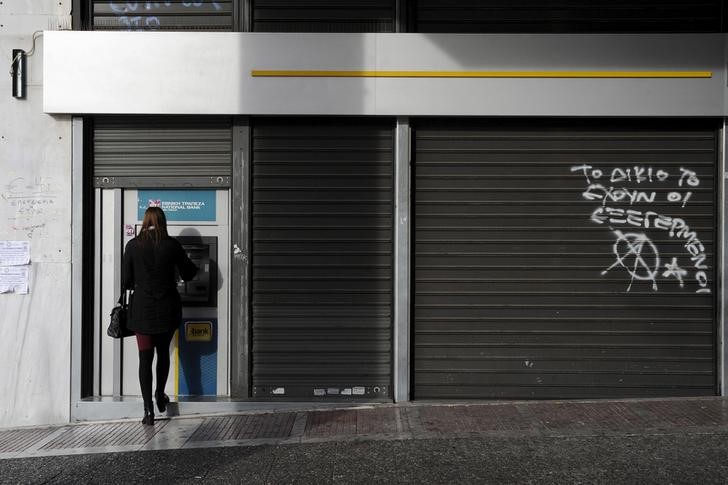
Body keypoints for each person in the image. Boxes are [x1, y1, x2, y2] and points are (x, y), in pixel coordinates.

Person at [122, 206, 198, 425]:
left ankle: (148, 412)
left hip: (142, 312)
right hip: (167, 308)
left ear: (145, 221)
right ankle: (159, 394)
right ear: (163, 221)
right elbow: (190, 273)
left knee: (145, 358)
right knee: (163, 353)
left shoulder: (133, 245)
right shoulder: (172, 245)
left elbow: (126, 281)